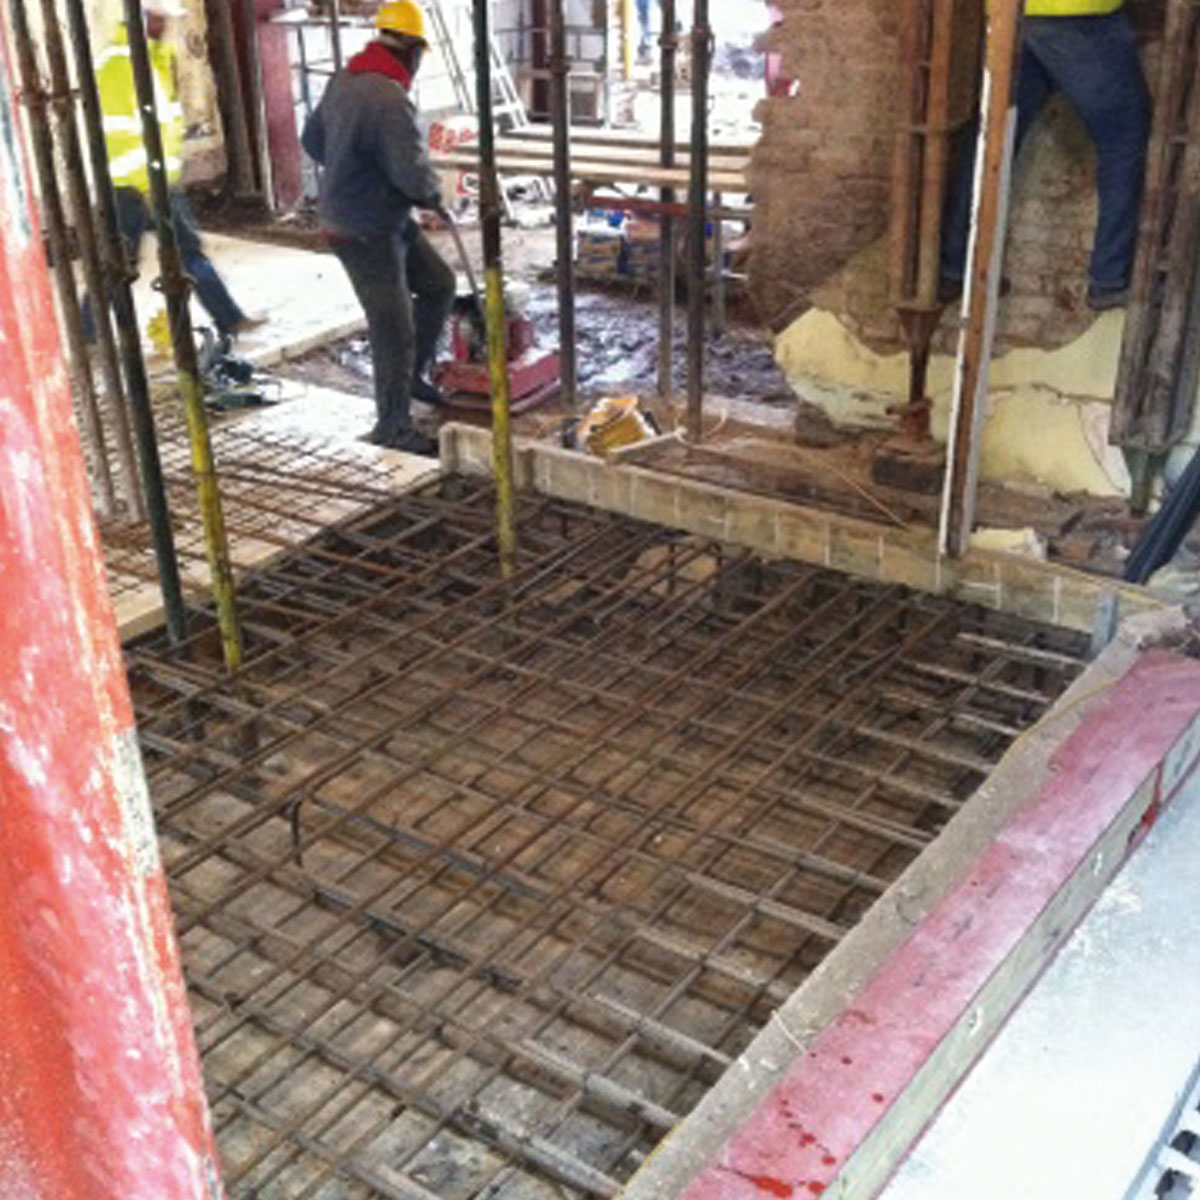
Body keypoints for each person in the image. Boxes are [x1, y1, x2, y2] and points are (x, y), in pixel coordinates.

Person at [301, 0, 455, 455]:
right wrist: (432, 197)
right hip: (362, 230)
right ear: (412, 50)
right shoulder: (388, 98)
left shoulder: (344, 79)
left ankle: (411, 378)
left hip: (384, 216)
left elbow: (312, 139)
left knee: (438, 284)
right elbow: (411, 173)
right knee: (392, 328)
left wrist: (349, 167)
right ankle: (392, 427)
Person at [941, 0, 1151, 312]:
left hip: (1009, 13)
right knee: (1124, 134)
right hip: (1080, 15)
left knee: (993, 134)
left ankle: (957, 264)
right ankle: (1110, 278)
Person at [94, 0, 263, 341]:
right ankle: (89, 332)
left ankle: (230, 318)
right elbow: (119, 132)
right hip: (137, 185)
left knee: (166, 256)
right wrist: (146, 182)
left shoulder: (149, 59)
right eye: (159, 20)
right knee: (127, 263)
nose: (165, 27)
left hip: (153, 181)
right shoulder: (120, 64)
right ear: (141, 19)